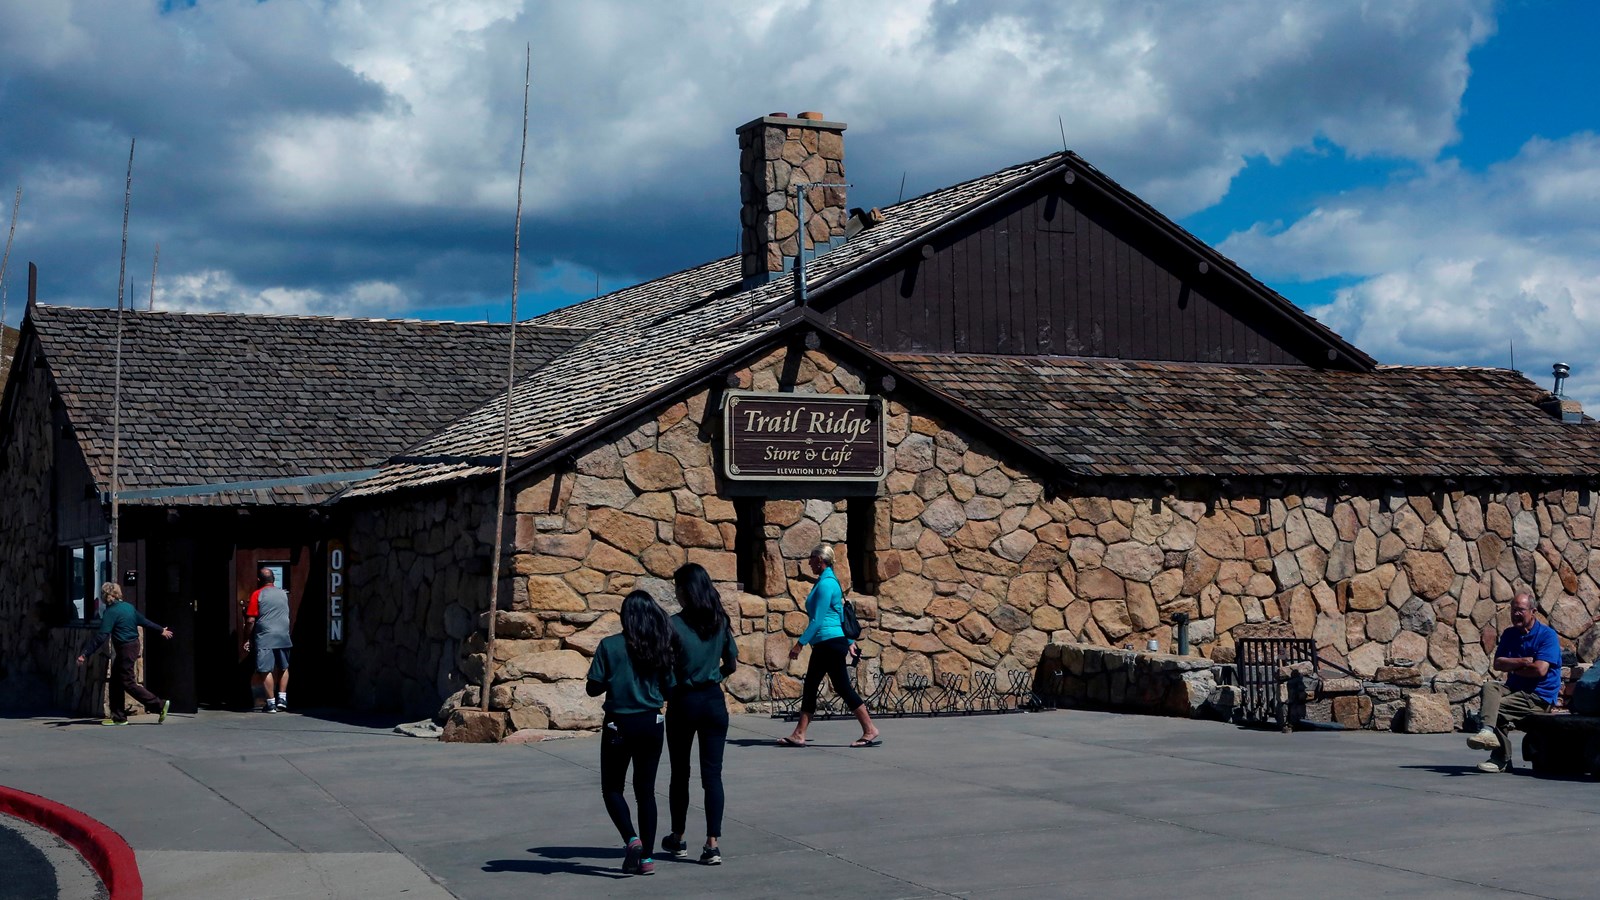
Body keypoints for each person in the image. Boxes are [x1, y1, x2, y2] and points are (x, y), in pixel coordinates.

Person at [587, 590, 676, 876]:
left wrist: (613, 680)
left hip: (619, 724)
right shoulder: (660, 647)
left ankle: (631, 839)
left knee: (612, 788)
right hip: (652, 722)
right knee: (645, 792)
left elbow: (593, 687)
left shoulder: (609, 646)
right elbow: (671, 688)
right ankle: (647, 858)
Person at [661, 563, 738, 866]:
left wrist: (673, 690)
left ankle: (678, 837)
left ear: (685, 591)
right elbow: (731, 664)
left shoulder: (673, 625)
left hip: (684, 700)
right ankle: (712, 844)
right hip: (713, 701)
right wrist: (714, 675)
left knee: (680, 774)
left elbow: (665, 670)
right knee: (712, 775)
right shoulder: (719, 622)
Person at [778, 544, 881, 749]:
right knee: (820, 685)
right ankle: (799, 733)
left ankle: (869, 729)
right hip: (830, 642)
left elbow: (817, 620)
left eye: (811, 558)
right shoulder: (827, 581)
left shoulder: (826, 584)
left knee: (835, 686)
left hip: (829, 643)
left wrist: (799, 644)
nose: (808, 562)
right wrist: (850, 642)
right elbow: (840, 614)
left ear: (820, 560)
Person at [1468, 592, 1562, 773]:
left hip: (1538, 697)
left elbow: (1540, 670)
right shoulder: (1510, 634)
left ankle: (1500, 758)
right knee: (1490, 688)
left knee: (1496, 709)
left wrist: (1511, 667)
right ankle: (1487, 732)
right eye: (1513, 610)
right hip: (1514, 689)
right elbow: (1497, 663)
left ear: (1533, 611)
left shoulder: (1547, 636)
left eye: (1521, 610)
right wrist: (1523, 662)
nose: (1516, 614)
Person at [75, 582, 173, 725]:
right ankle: (118, 717)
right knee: (115, 681)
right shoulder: (128, 607)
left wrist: (85, 654)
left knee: (127, 682)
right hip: (132, 646)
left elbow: (102, 636)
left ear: (105, 596)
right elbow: (144, 621)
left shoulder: (111, 612)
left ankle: (159, 704)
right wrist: (160, 630)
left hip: (125, 649)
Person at [244, 567, 293, 713]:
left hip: (265, 637)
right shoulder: (283, 594)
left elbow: (251, 620)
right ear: (274, 579)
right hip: (283, 635)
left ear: (259, 580)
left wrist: (247, 638)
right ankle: (282, 698)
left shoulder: (257, 594)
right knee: (284, 667)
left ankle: (270, 703)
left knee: (265, 669)